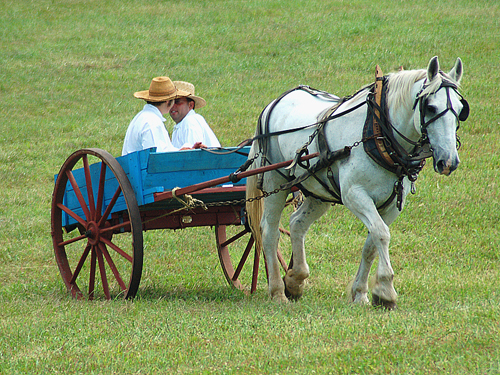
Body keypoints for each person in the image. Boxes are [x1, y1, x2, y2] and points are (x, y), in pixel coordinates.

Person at [122, 77, 205, 156]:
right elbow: (157, 160)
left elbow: (164, 152)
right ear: (168, 101)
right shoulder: (152, 122)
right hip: (141, 170)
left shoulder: (143, 117)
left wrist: (185, 151)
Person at [169, 81, 221, 149]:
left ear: (191, 105)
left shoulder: (190, 122)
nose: (172, 106)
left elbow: (192, 156)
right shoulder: (182, 124)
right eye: (170, 102)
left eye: (177, 102)